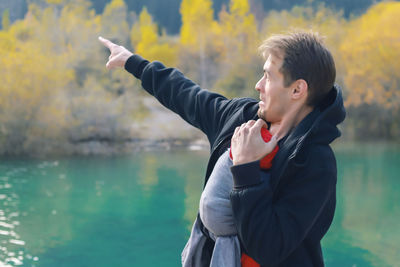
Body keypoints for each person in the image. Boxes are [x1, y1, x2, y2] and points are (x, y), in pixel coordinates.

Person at [98, 30, 346, 267]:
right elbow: (188, 96)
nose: (258, 85)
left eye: (268, 76)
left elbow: (269, 247)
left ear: (297, 89)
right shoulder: (240, 117)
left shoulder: (314, 162)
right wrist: (134, 63)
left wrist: (246, 170)